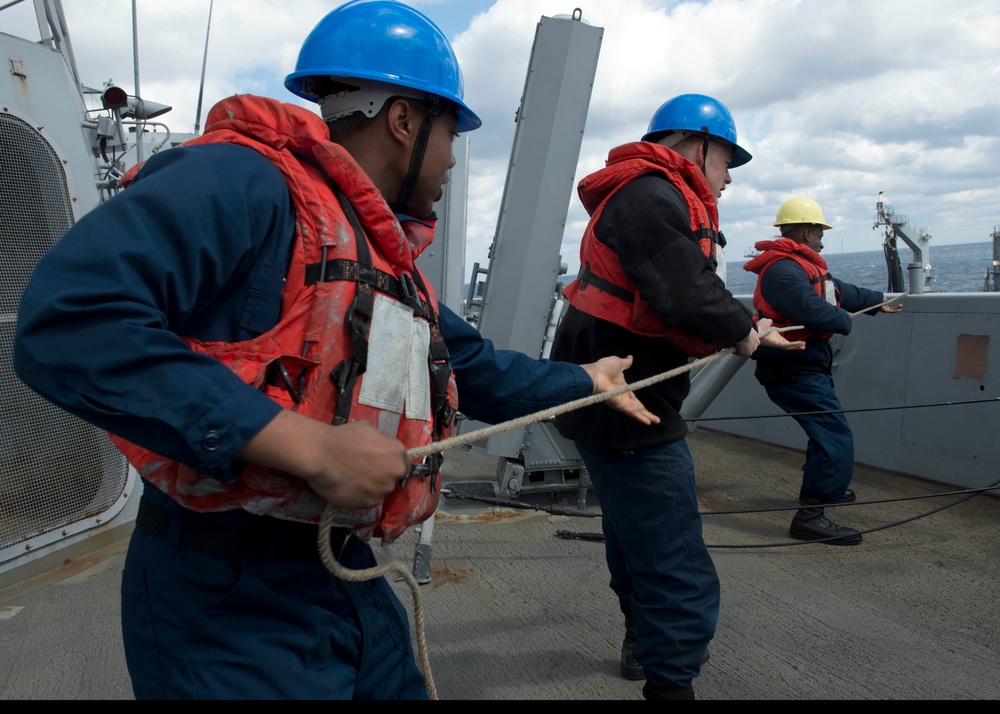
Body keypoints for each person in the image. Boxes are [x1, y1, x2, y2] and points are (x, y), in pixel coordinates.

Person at [13, 0, 657, 700]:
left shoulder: (375, 253)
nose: (449, 160)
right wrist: (310, 448)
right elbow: (70, 323)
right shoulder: (241, 182)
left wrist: (585, 380)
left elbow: (468, 366)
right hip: (224, 602)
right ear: (403, 120)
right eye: (450, 135)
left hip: (344, 577)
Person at [550, 93, 804, 701]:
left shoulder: (643, 193)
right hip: (631, 404)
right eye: (726, 165)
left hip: (609, 398)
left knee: (631, 528)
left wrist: (741, 330)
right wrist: (745, 333)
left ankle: (643, 635)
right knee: (676, 557)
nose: (727, 182)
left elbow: (677, 287)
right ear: (698, 147)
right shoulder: (651, 194)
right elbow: (686, 290)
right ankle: (671, 681)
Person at [744, 197, 902, 546]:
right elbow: (812, 309)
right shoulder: (784, 271)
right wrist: (843, 320)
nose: (822, 238)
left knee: (825, 431)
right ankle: (811, 515)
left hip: (805, 363)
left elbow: (838, 291)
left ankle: (828, 489)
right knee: (835, 437)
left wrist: (878, 302)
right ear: (804, 230)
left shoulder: (800, 265)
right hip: (791, 366)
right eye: (818, 231)